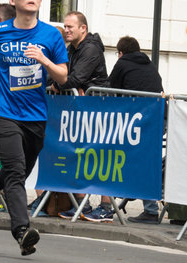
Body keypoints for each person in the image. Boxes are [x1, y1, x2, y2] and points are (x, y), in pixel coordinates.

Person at [0, 0, 69, 256]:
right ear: (13, 1)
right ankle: (22, 231)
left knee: (20, 171)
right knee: (16, 172)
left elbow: (63, 76)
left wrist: (44, 61)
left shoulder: (51, 34)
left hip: (36, 117)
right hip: (4, 113)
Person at [52, 11, 113, 223]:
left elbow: (74, 77)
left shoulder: (91, 49)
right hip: (81, 108)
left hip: (98, 107)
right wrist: (65, 82)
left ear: (83, 29)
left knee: (102, 157)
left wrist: (58, 84)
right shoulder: (72, 49)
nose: (66, 30)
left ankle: (106, 207)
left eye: (70, 27)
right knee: (78, 154)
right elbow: (64, 73)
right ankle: (82, 204)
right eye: (65, 27)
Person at [108, 36, 164, 224]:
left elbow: (109, 91)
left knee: (123, 158)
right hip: (156, 119)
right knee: (145, 160)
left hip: (134, 120)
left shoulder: (122, 63)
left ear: (121, 53)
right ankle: (133, 197)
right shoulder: (150, 65)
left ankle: (145, 209)